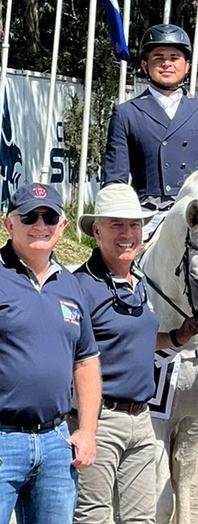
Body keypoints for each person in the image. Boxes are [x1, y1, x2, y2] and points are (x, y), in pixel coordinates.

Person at [71, 183, 198, 523]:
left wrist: (174, 337)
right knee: (94, 517)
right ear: (97, 230)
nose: (128, 233)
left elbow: (131, 337)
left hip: (142, 419)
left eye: (135, 225)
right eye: (117, 225)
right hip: (100, 418)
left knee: (141, 518)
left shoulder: (138, 281)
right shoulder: (80, 287)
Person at [0, 183, 101, 523]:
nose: (40, 224)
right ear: (8, 223)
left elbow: (86, 361)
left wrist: (87, 431)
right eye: (29, 215)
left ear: (63, 226)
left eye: (49, 216)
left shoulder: (71, 285)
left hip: (57, 443)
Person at [101, 23, 198, 237]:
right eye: (158, 58)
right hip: (148, 216)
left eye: (174, 58)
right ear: (144, 64)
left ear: (186, 65)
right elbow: (115, 181)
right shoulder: (126, 114)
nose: (166, 64)